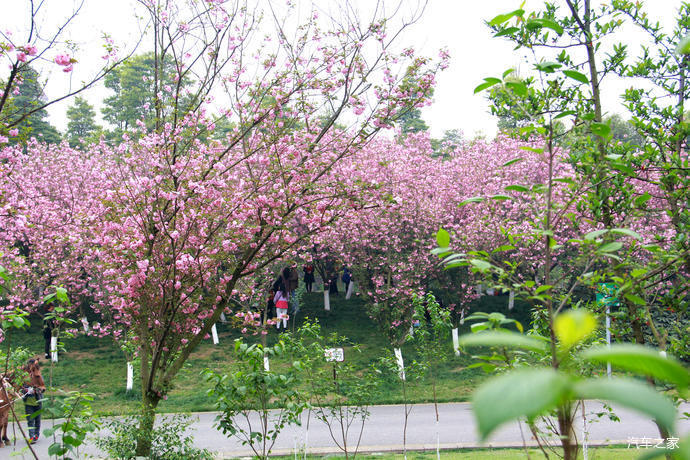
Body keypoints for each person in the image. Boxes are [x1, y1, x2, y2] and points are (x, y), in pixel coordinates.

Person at [22, 359, 45, 444]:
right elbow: (21, 389)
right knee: (30, 419)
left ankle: (36, 435)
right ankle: (31, 436)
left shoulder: (38, 375)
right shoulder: (25, 377)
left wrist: (36, 390)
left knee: (37, 419)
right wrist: (26, 390)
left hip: (38, 401)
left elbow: (43, 387)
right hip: (28, 402)